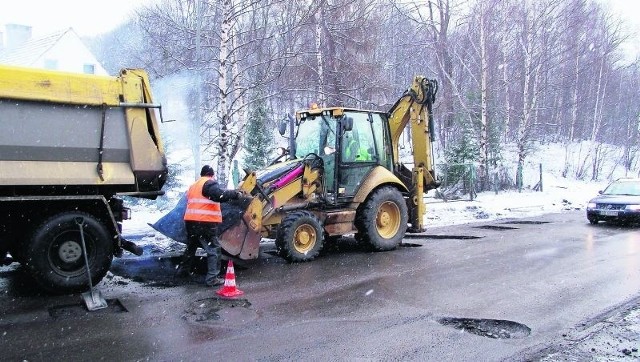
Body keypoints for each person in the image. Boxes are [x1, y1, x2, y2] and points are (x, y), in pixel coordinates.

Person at [177, 165, 243, 286]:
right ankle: (212, 278)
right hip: (205, 222)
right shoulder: (209, 183)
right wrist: (235, 195)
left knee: (191, 248)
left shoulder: (194, 186)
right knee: (213, 249)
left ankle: (183, 271)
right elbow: (219, 195)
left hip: (191, 222)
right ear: (211, 175)